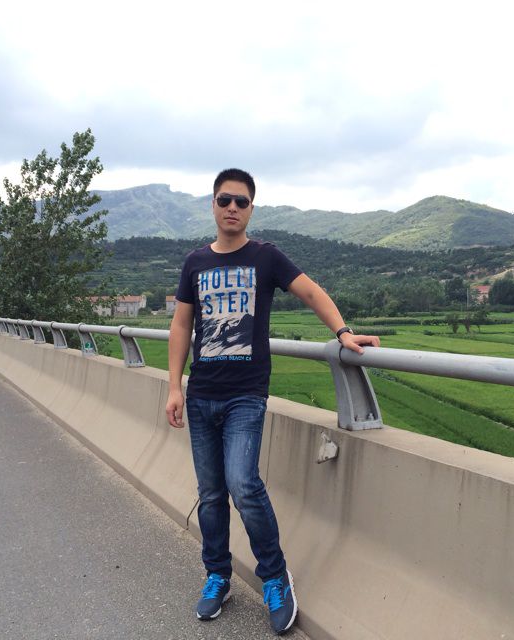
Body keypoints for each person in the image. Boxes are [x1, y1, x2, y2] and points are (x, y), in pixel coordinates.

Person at [165, 168, 380, 635]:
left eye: (241, 202)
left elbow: (310, 291)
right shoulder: (195, 262)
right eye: (225, 200)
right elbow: (181, 325)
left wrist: (342, 332)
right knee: (210, 493)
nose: (233, 208)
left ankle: (275, 577)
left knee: (243, 484)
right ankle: (217, 575)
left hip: (245, 395)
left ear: (251, 209)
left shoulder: (265, 257)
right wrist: (174, 386)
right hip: (201, 395)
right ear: (213, 205)